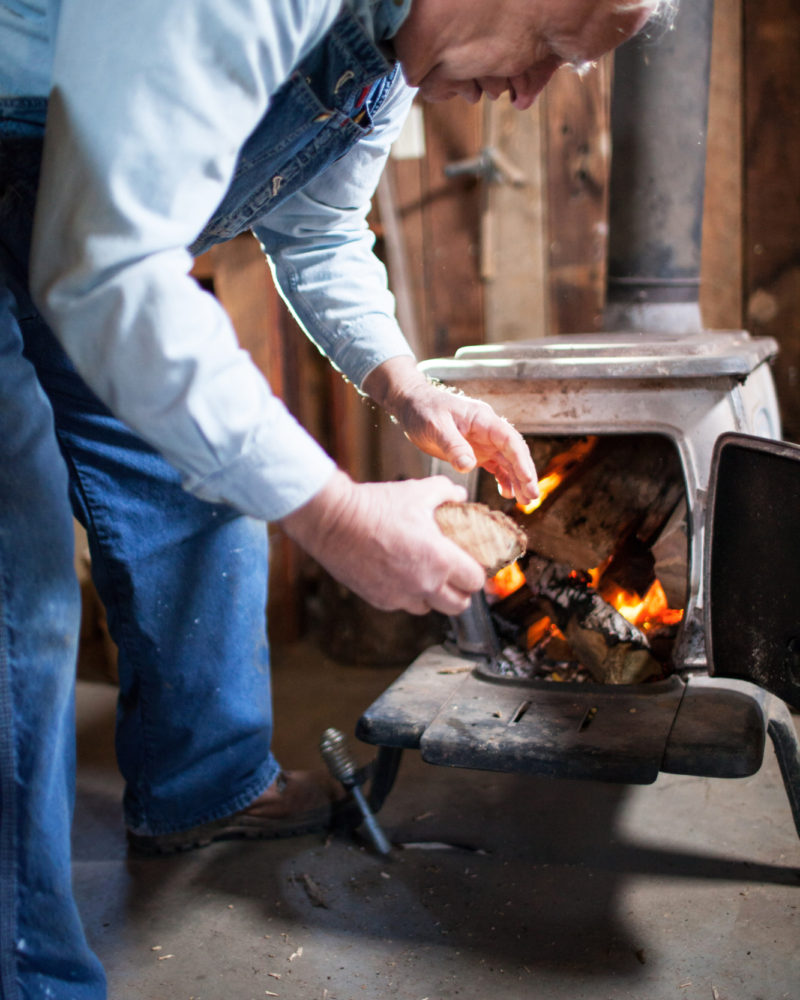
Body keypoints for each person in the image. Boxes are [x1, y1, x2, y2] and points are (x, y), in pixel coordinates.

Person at [0, 0, 671, 995]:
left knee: (206, 466)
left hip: (89, 204)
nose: (528, 92)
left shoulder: (393, 51)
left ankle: (202, 786)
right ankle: (29, 969)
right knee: (22, 585)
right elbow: (109, 269)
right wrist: (336, 514)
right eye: (553, 47)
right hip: (30, 145)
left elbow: (314, 231)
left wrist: (402, 384)